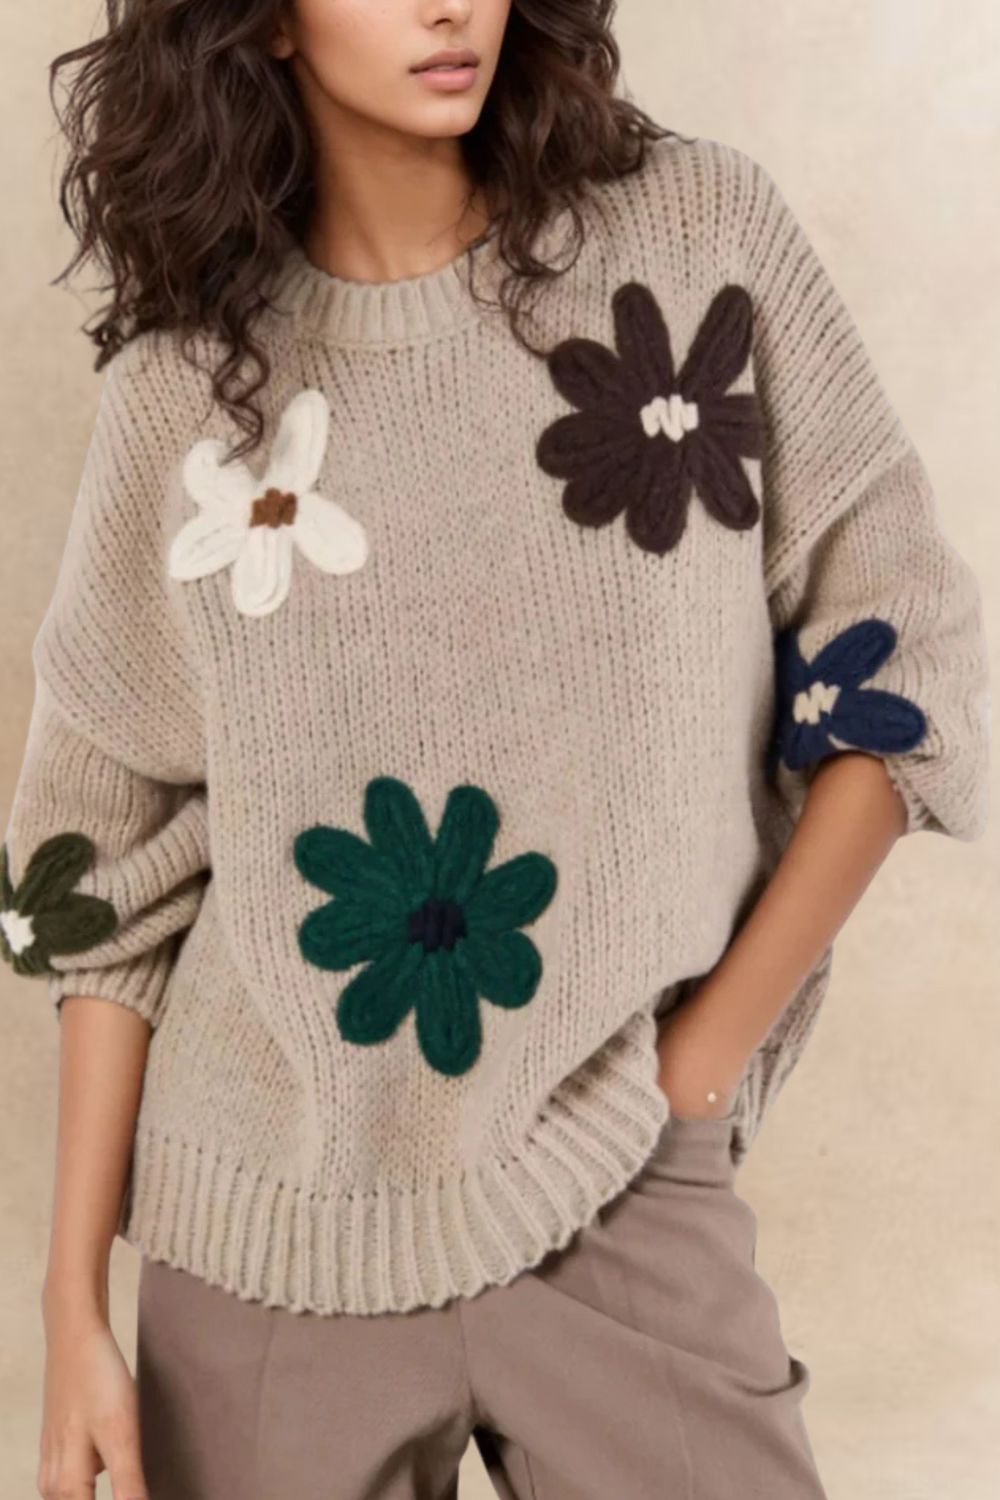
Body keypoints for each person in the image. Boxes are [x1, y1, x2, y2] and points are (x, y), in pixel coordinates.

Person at [3, 1, 989, 1497]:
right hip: (268, 1238)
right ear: (266, 22)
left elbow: (899, 659)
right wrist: (70, 1303)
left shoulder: (691, 244)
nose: (447, 3)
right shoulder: (189, 396)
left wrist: (697, 1071)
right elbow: (101, 880)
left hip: (626, 1182)